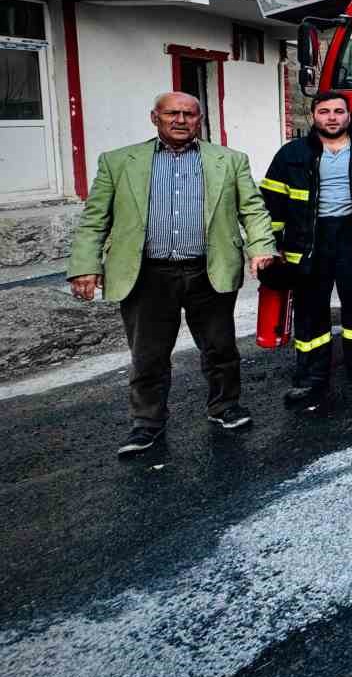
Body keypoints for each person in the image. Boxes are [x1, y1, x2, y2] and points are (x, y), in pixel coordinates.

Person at [67, 91, 277, 456]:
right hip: (148, 275)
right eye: (172, 114)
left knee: (220, 347)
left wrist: (261, 247)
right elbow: (94, 219)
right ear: (155, 118)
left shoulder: (229, 161)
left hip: (207, 271)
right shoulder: (119, 162)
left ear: (200, 119)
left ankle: (225, 407)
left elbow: (253, 209)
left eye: (189, 114)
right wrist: (85, 265)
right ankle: (146, 423)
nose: (180, 120)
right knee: (148, 354)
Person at [262, 91, 352, 413]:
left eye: (338, 111)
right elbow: (271, 201)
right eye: (324, 111)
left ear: (348, 116)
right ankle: (311, 376)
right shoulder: (292, 153)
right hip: (309, 241)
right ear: (313, 116)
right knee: (310, 309)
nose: (331, 117)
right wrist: (267, 245)